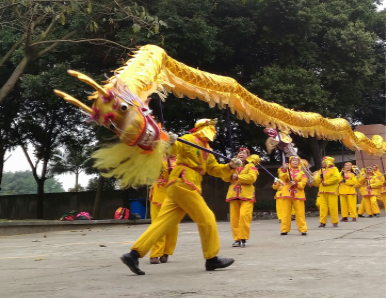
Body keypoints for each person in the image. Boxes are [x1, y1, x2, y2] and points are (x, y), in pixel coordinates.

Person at [120, 119, 242, 275]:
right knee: (207, 219)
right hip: (184, 183)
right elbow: (174, 150)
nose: (215, 131)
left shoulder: (206, 149)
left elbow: (214, 169)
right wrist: (170, 142)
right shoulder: (189, 139)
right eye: (213, 128)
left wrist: (230, 166)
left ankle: (133, 254)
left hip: (178, 187)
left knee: (162, 224)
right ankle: (211, 258)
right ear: (204, 128)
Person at [223, 148, 259, 248]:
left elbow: (252, 178)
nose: (241, 154)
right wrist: (229, 169)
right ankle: (237, 239)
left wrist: (238, 177)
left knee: (244, 216)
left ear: (248, 156)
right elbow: (225, 178)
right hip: (233, 194)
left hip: (247, 195)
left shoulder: (250, 166)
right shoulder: (232, 166)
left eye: (244, 153)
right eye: (239, 153)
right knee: (234, 218)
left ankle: (243, 237)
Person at [148, 155, 178, 264]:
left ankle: (166, 252)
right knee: (157, 223)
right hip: (158, 192)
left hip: (173, 192)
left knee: (172, 225)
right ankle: (155, 253)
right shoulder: (156, 155)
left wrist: (175, 172)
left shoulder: (180, 159)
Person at [276, 157, 308, 236]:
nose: (295, 162)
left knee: (300, 213)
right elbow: (282, 177)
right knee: (285, 213)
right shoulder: (286, 170)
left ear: (299, 162)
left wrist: (297, 184)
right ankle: (284, 229)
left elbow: (304, 183)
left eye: (296, 161)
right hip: (287, 193)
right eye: (293, 160)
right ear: (290, 162)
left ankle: (303, 229)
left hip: (298, 194)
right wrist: (284, 169)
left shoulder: (302, 173)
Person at [313, 157, 341, 228]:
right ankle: (322, 222)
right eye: (322, 161)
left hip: (332, 191)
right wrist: (320, 178)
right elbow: (317, 181)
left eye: (324, 161)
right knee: (323, 208)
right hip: (322, 192)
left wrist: (326, 182)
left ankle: (335, 222)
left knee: (333, 207)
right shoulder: (321, 170)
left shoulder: (334, 169)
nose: (322, 162)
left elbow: (337, 178)